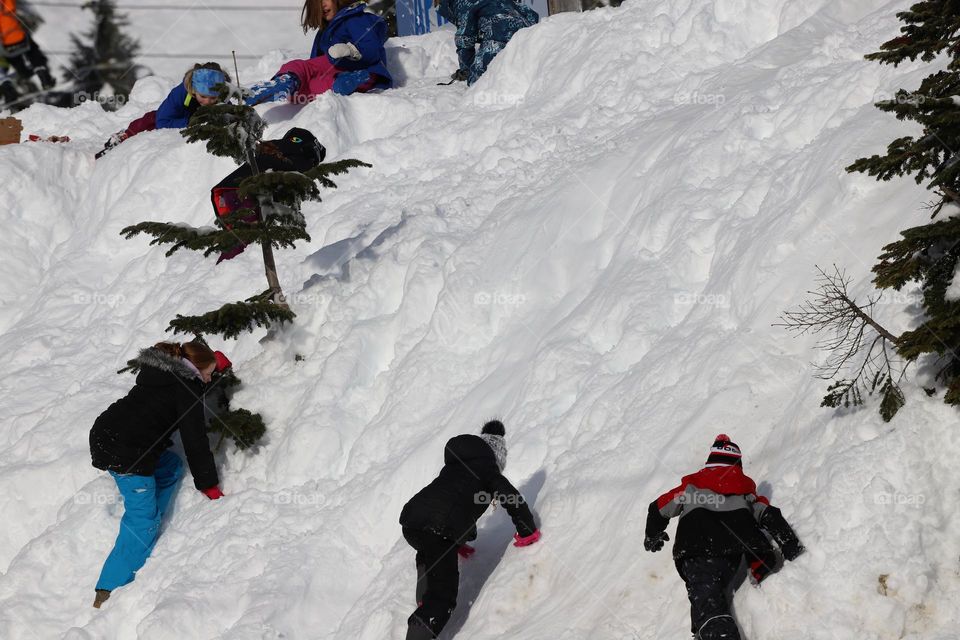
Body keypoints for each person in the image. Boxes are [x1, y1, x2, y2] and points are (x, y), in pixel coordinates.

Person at [88, 341, 229, 609]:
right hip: (127, 454)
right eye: (209, 374)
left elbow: (188, 388)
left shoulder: (163, 371)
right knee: (142, 520)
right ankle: (108, 588)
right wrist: (208, 483)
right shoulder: (187, 387)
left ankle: (152, 514)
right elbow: (194, 439)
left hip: (105, 432)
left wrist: (210, 366)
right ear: (196, 370)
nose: (210, 379)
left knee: (170, 467)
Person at [644, 434, 805, 640]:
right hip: (731, 555)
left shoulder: (691, 488)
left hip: (697, 552)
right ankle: (706, 631)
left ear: (709, 464)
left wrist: (653, 535)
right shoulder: (745, 492)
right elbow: (769, 515)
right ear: (737, 466)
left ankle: (717, 633)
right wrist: (790, 544)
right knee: (707, 597)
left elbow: (658, 508)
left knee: (707, 601)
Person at [398, 420, 541, 640]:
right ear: (497, 458)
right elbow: (512, 499)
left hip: (412, 521)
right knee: (442, 600)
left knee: (429, 550)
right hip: (439, 530)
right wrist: (527, 529)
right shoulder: (488, 470)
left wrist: (459, 541)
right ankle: (428, 609)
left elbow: (457, 503)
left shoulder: (456, 464)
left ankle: (425, 593)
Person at [243, 0, 392, 106]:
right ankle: (295, 82)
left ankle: (291, 79)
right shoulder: (325, 32)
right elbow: (315, 61)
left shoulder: (354, 19)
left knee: (304, 68)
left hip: (364, 68)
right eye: (317, 2)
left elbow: (372, 49)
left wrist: (351, 51)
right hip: (341, 73)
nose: (322, 5)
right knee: (310, 86)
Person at [96, 63, 229, 158]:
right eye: (203, 96)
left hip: (191, 119)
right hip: (175, 118)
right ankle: (125, 135)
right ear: (194, 90)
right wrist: (189, 122)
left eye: (213, 98)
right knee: (150, 120)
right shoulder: (179, 93)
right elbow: (162, 121)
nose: (208, 102)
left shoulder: (226, 94)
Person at [436, 0, 538, 86]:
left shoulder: (461, 4)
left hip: (500, 34)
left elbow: (464, 39)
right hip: (528, 33)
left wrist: (467, 70)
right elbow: (531, 14)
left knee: (480, 82)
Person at [0, 0, 55, 91]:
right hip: (19, 36)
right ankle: (43, 75)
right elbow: (25, 7)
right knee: (33, 51)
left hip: (6, 45)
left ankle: (23, 76)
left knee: (15, 60)